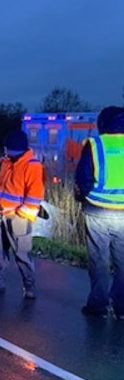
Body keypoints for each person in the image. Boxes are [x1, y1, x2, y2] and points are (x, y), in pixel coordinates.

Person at [74, 105, 124, 318]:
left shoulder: (95, 144)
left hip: (98, 210)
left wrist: (82, 197)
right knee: (122, 261)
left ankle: (99, 305)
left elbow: (83, 178)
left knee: (99, 260)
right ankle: (121, 307)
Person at [0, 129, 44, 299]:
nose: (5, 150)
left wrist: (21, 213)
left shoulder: (32, 165)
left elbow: (35, 195)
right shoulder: (6, 162)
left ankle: (29, 285)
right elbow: (0, 186)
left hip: (18, 218)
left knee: (21, 253)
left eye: (7, 148)